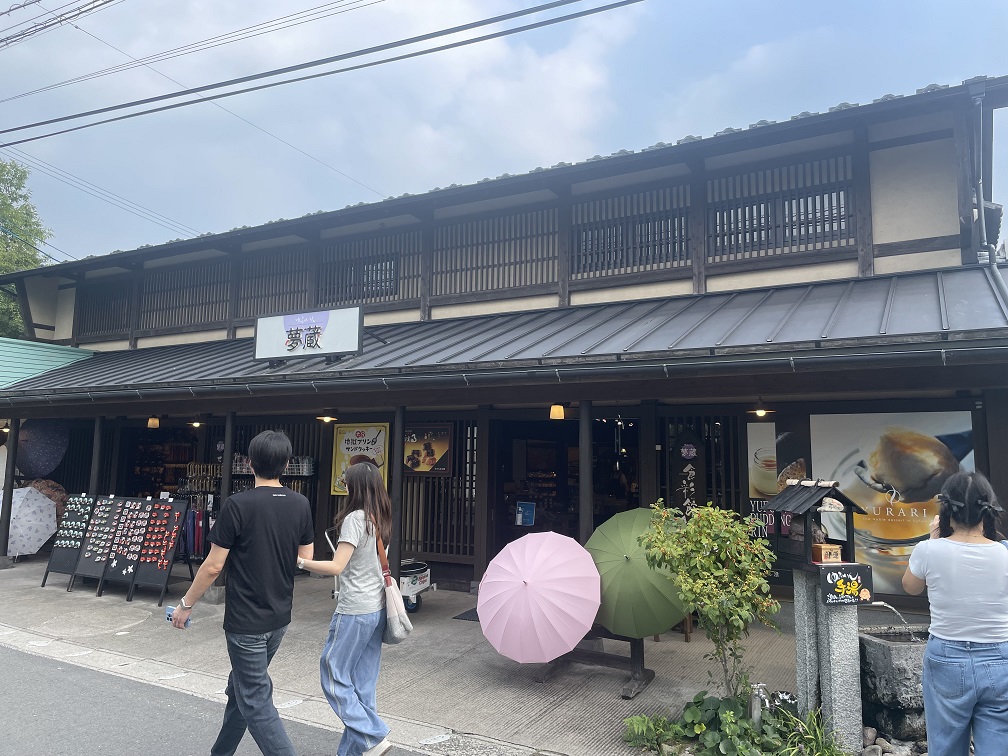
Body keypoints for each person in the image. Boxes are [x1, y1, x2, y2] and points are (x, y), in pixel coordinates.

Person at [171, 430, 315, 756]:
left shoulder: (237, 505)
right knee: (244, 690)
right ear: (288, 465)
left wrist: (185, 604)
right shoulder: (300, 504)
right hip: (279, 616)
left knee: (255, 699)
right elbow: (305, 559)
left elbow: (212, 566)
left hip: (246, 621)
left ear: (249, 464)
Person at [902, 470, 1008, 756]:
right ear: (988, 509)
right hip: (1000, 657)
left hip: (946, 657)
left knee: (946, 745)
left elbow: (910, 587)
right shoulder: (1005, 553)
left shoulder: (928, 550)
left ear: (946, 508)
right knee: (998, 746)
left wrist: (934, 536)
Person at [299, 461, 392, 756]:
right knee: (362, 684)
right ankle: (356, 751)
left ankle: (372, 736)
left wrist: (299, 562)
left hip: (354, 609)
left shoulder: (355, 519)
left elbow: (337, 566)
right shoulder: (380, 518)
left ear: (354, 487)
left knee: (332, 672)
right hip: (376, 609)